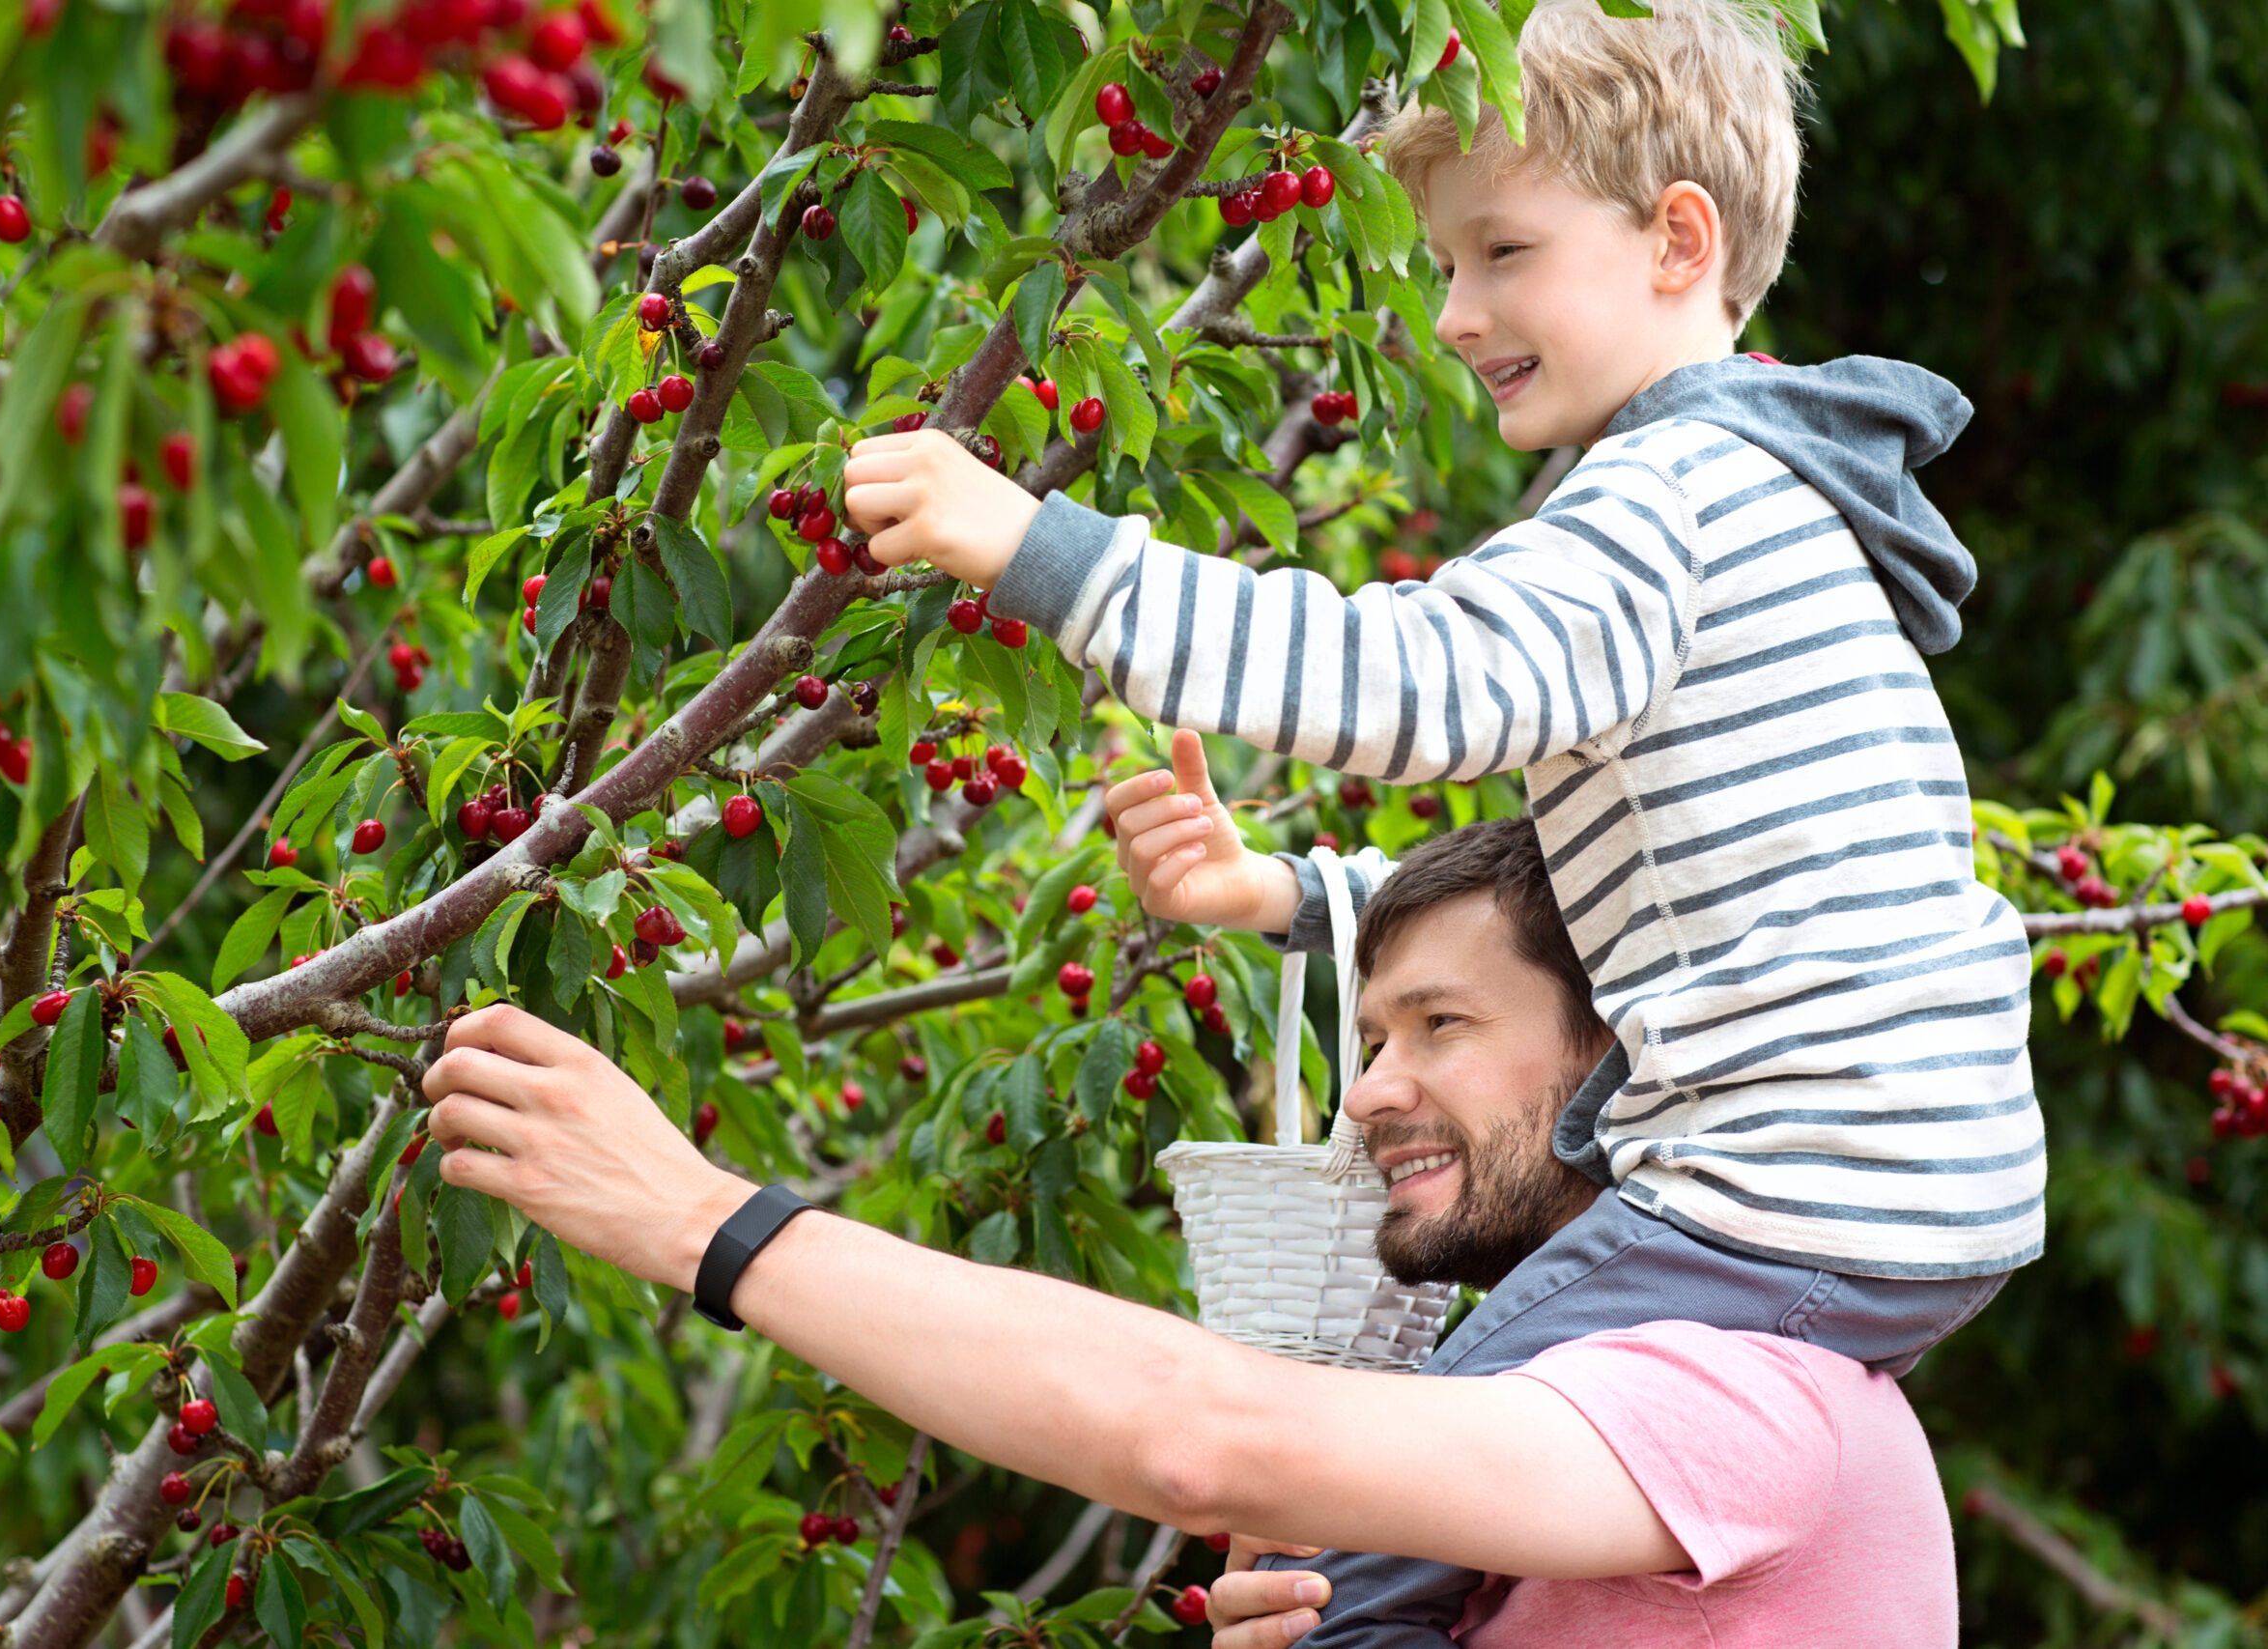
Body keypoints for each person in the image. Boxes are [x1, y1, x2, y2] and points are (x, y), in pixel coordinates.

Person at [842, 0, 2038, 1632]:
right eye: (1448, 268)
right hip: (1902, 1194)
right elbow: (1581, 888)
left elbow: (1408, 677)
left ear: (1677, 240)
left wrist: (1045, 552)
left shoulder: (1666, 505)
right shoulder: (1768, 506)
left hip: (1784, 1192)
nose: (1460, 314)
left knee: (1373, 1489)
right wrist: (1297, 898)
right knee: (1423, 1512)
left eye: (1502, 252)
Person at [422, 819, 1962, 1645]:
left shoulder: (1758, 1389)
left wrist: (703, 1218)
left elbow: (1197, 1435)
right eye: (1369, 1037)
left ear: (1621, 1056)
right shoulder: (1547, 1424)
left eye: (1439, 1026)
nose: (1371, 1095)